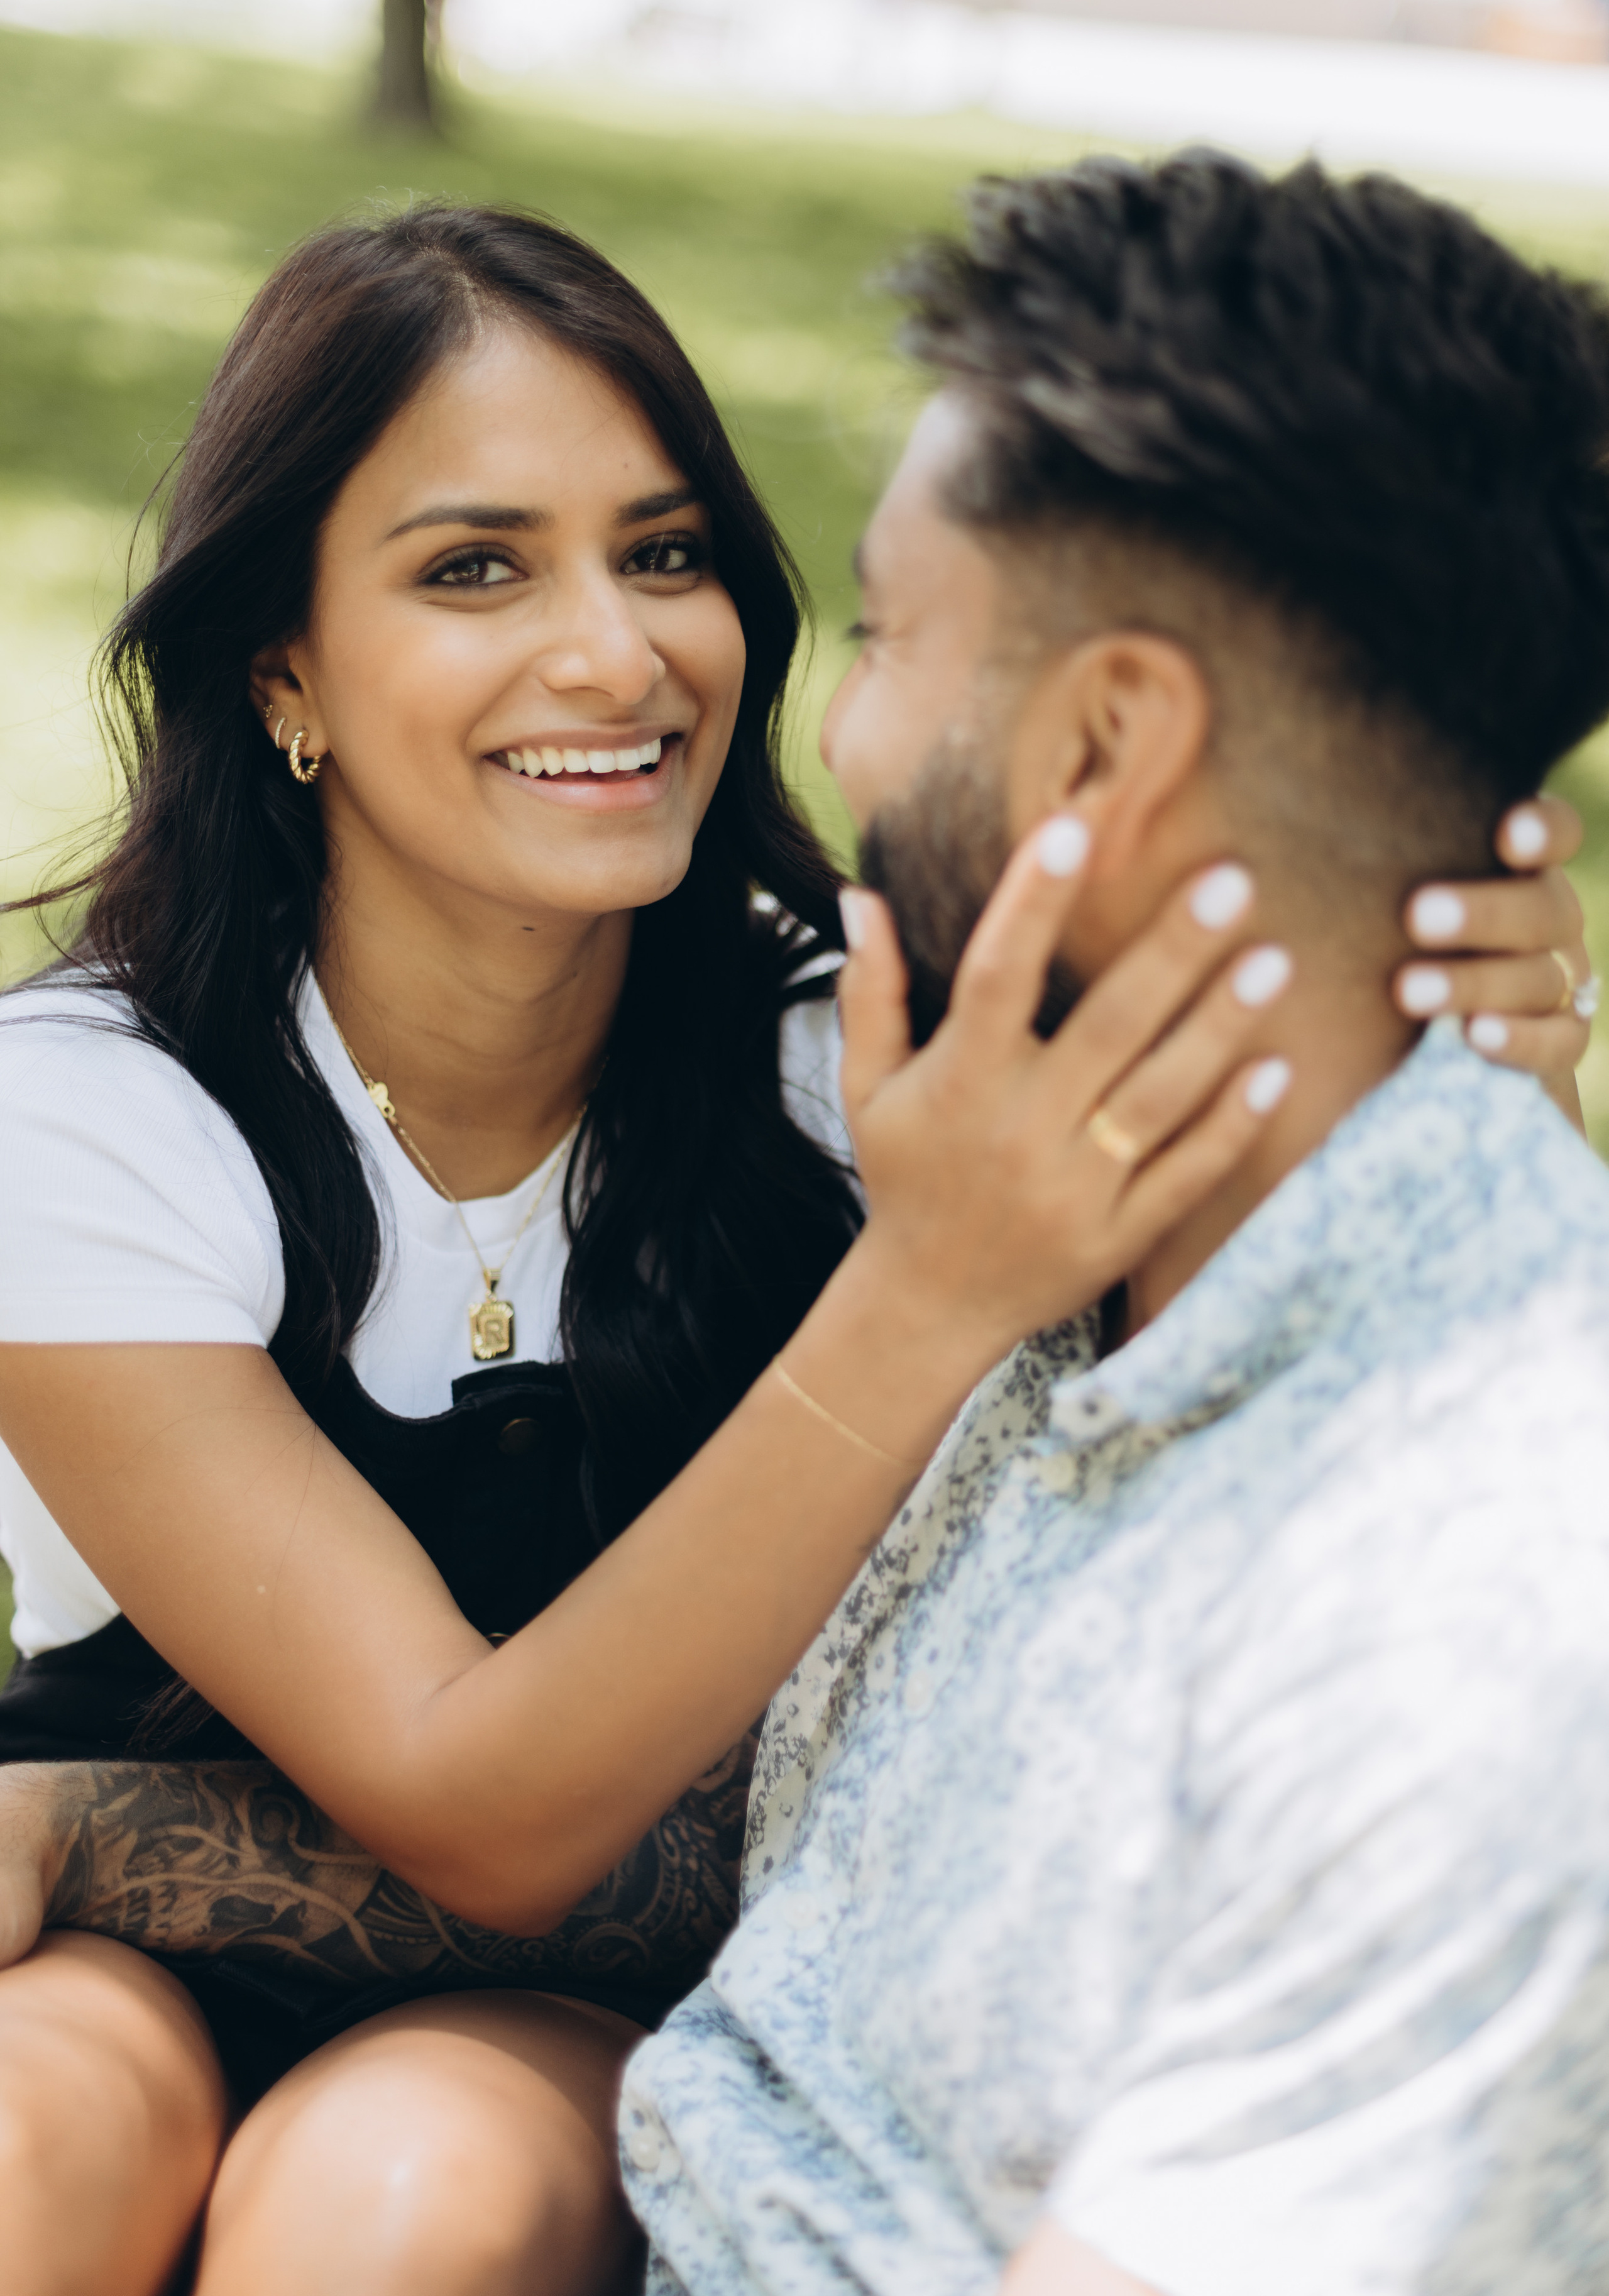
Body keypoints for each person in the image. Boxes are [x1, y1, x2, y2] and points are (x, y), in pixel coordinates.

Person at [0, 190, 1587, 2296]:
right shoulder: (99, 1115)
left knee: (397, 2198)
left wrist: (1460, 1029)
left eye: (666, 556)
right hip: (132, 1967)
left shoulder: (869, 1063)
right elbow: (442, 1766)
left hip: (569, 2015)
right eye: (476, 567)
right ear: (282, 662)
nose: (617, 651)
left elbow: (1294, 1292)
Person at [605, 153, 1609, 2295]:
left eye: (887, 636)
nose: (840, 729)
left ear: (1105, 744)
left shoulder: (1483, 1600)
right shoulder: (1094, 1268)